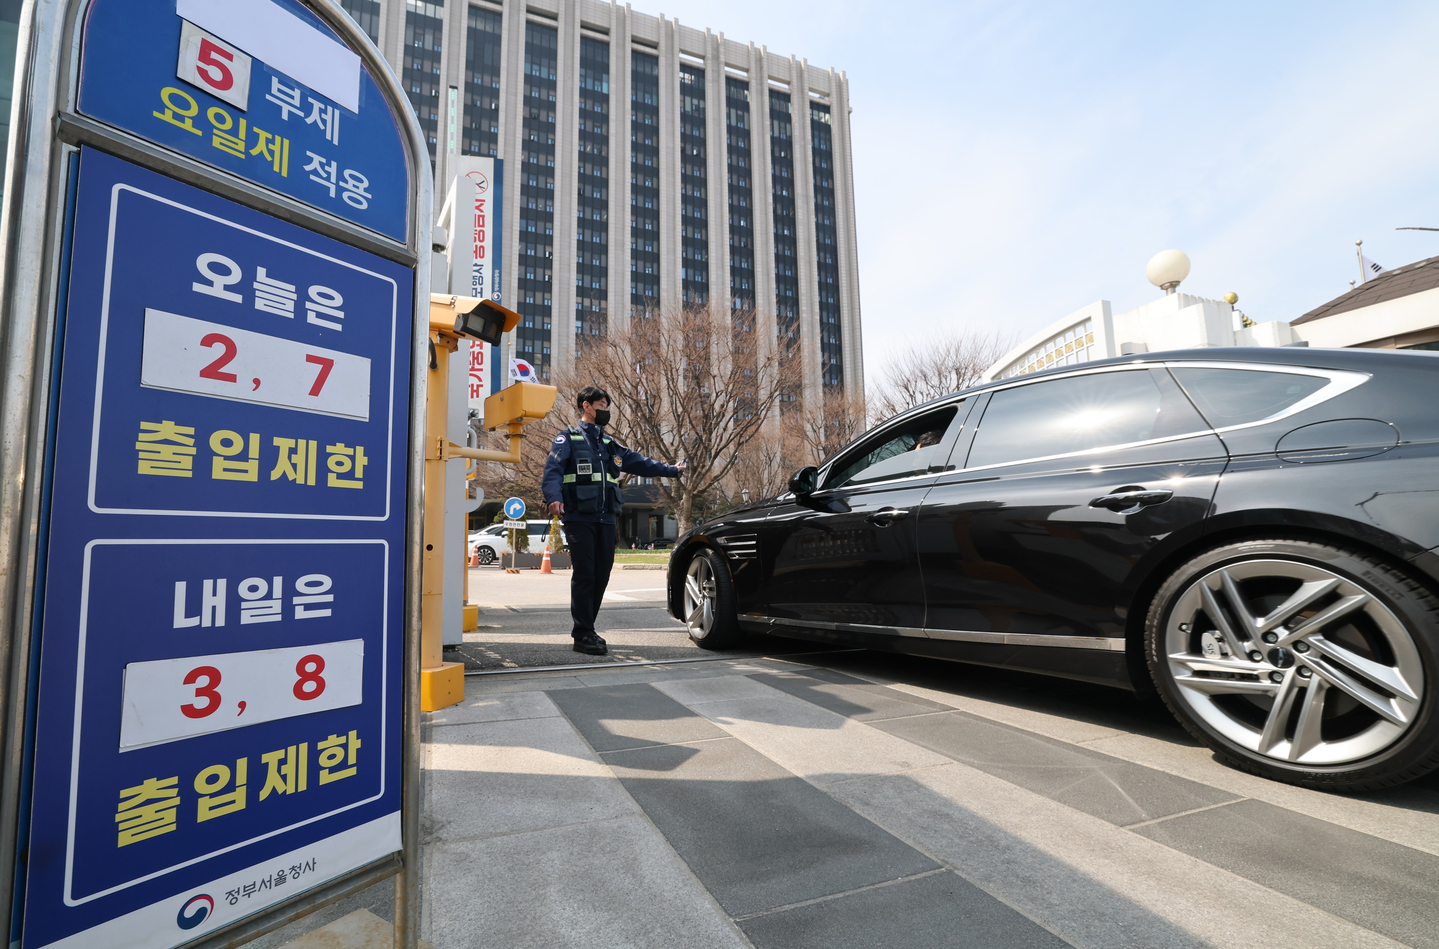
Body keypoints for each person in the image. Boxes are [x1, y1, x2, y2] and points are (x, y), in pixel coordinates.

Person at [542, 386, 685, 655]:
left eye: (607, 406)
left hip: (606, 517)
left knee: (602, 574)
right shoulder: (567, 439)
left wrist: (671, 470)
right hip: (578, 517)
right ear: (586, 406)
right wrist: (553, 497)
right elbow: (552, 471)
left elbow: (641, 463)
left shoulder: (610, 444)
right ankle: (582, 633)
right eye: (602, 405)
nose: (606, 411)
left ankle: (588, 628)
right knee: (585, 574)